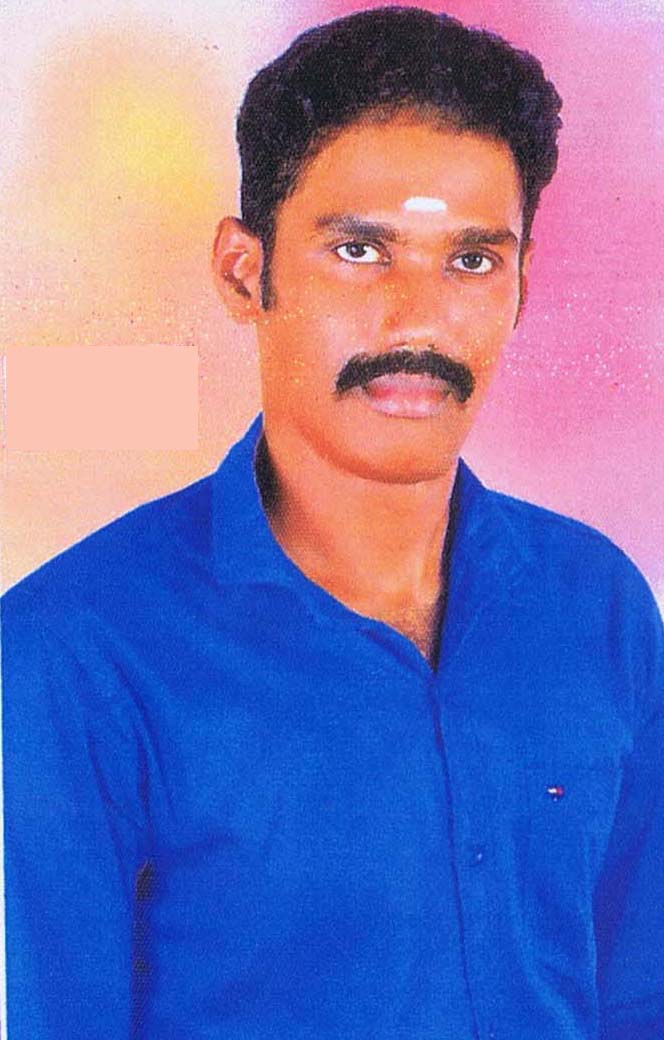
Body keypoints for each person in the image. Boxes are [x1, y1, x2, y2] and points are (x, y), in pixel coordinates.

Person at [2, 7, 662, 1039]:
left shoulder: (597, 606)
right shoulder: (76, 649)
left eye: (472, 261)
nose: (418, 318)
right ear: (244, 271)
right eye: (360, 250)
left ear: (523, 285)